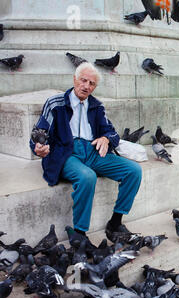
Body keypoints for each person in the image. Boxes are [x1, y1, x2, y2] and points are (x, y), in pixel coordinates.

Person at [30, 62, 142, 244]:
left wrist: (106, 139)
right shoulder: (55, 103)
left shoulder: (97, 106)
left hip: (92, 151)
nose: (86, 86)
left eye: (91, 83)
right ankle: (80, 234)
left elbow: (112, 132)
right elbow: (40, 132)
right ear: (75, 80)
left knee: (133, 171)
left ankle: (115, 222)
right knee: (87, 177)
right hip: (66, 153)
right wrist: (38, 148)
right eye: (83, 80)